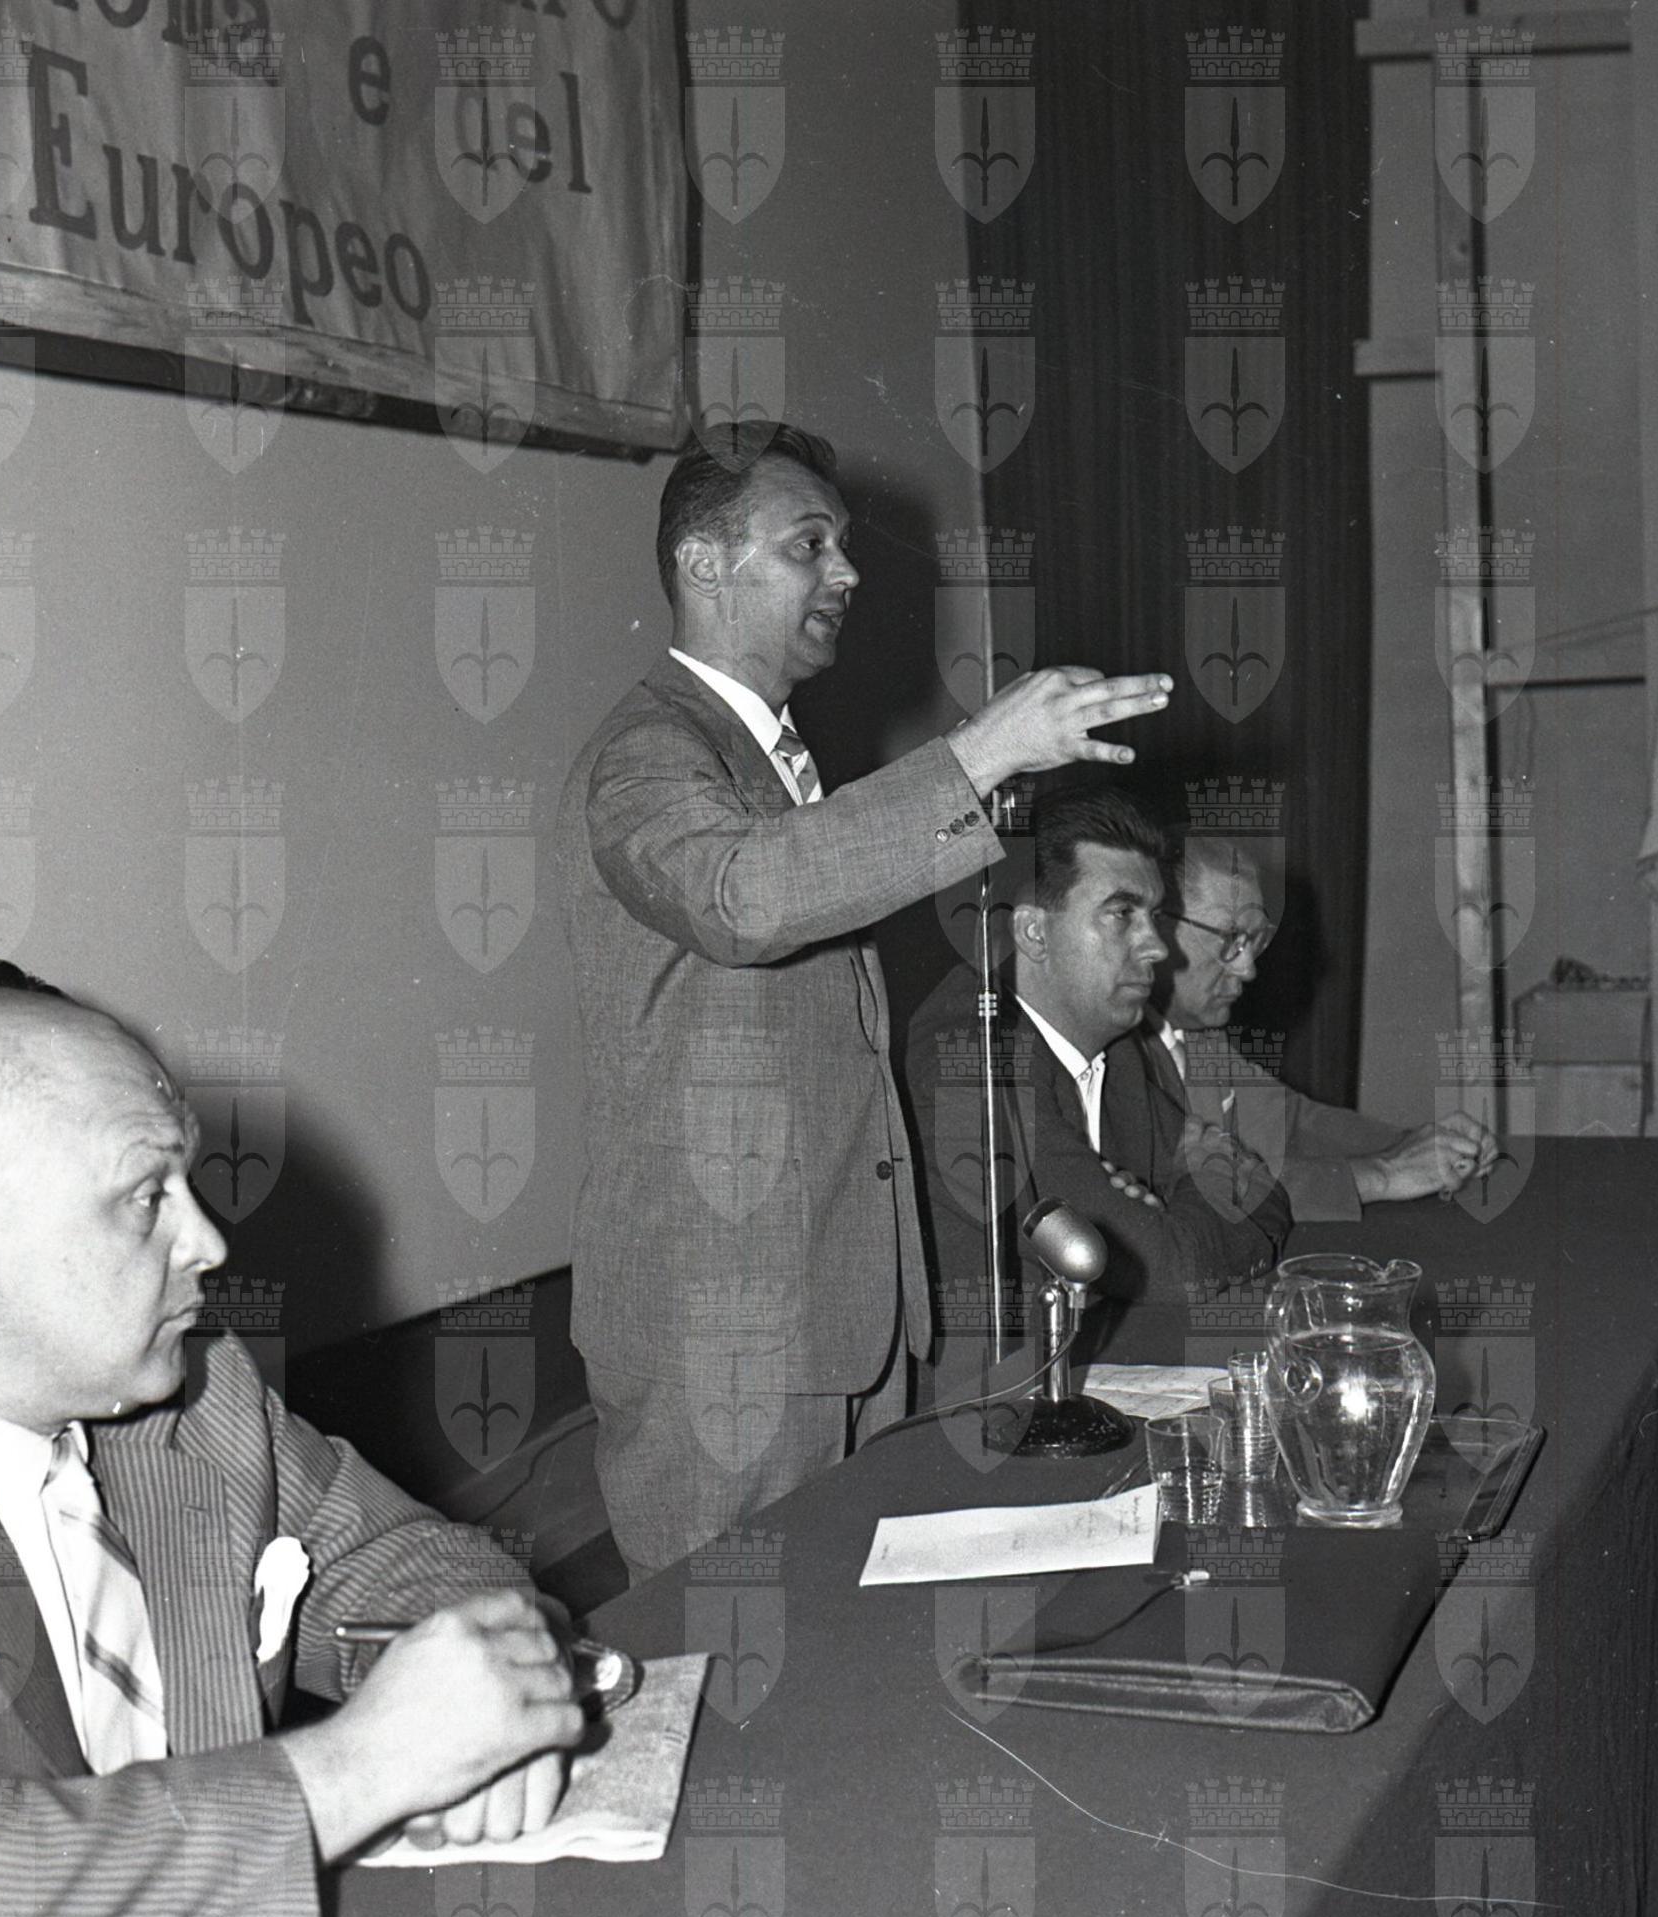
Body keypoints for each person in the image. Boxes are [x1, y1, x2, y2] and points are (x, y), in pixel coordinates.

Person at [557, 423, 1172, 1580]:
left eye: (841, 545)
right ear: (702, 563)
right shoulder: (646, 755)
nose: (845, 572)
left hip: (836, 1320)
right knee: (725, 1650)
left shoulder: (775, 760)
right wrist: (977, 755)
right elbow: (742, 896)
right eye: (809, 544)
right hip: (727, 1340)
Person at [0, 976, 587, 1917]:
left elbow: (411, 1561)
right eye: (147, 1197)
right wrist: (359, 1769)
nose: (210, 1243)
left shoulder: (199, 1397)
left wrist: (488, 1700)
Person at [904, 788, 1291, 1343]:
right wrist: (1192, 1193)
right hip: (992, 1389)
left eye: (1153, 916)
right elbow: (1167, 1268)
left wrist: (1166, 1215)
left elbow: (1265, 1192)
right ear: (1034, 932)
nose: (1157, 947)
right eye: (1122, 914)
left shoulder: (1119, 1051)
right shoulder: (969, 1059)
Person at [1157, 837, 1499, 1220]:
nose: (1248, 969)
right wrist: (1384, 1174)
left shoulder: (1197, 1035)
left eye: (1254, 941)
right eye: (1229, 939)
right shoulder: (1122, 1055)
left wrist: (1420, 1145)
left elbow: (1290, 1123)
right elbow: (1203, 1184)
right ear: (1157, 930)